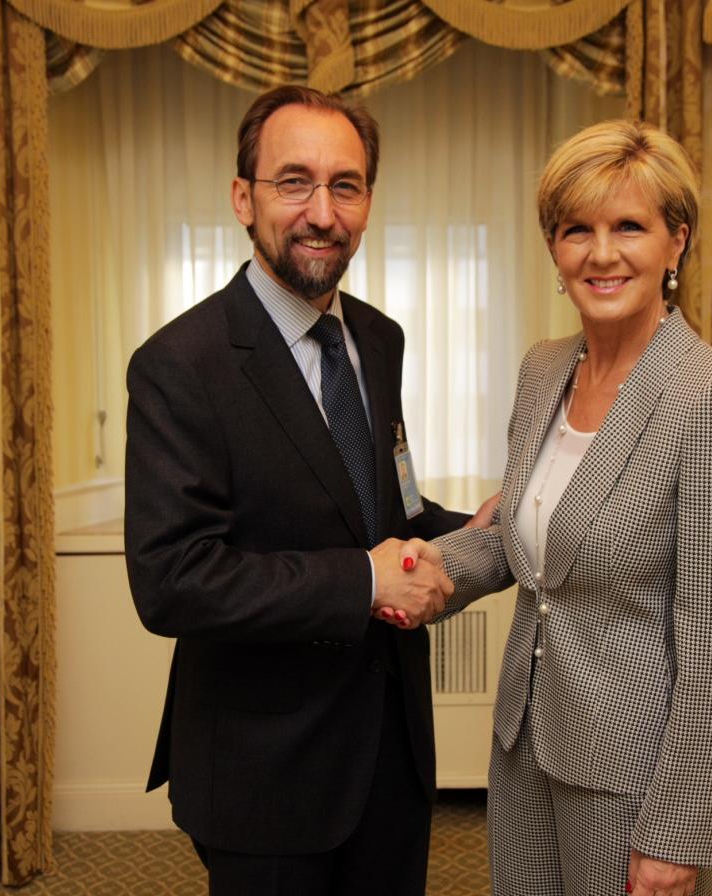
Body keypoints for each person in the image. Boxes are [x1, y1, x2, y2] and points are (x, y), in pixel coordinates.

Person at [385, 120, 712, 896]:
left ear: (677, 242)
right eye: (576, 230)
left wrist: (677, 826)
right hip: (525, 741)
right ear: (555, 250)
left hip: (631, 773)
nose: (601, 253)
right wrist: (432, 567)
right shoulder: (544, 369)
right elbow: (527, 547)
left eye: (629, 226)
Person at [124, 85, 484, 896]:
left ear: (367, 203)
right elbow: (172, 581)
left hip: (392, 752)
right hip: (264, 776)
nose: (322, 211)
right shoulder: (181, 365)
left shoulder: (379, 340)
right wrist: (363, 580)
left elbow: (388, 508)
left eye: (345, 185)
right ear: (243, 198)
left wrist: (480, 529)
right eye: (294, 182)